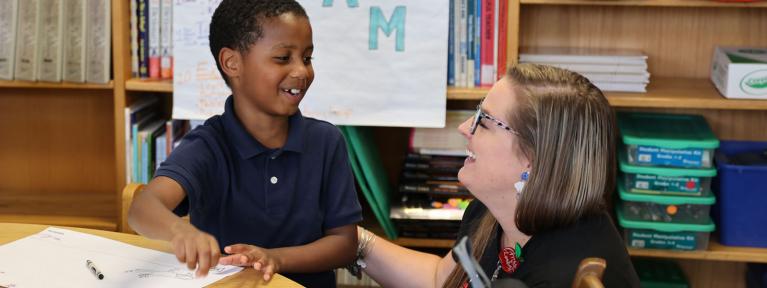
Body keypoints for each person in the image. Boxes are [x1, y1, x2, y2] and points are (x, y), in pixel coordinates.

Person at [127, 1, 362, 286]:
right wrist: (181, 232)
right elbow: (143, 207)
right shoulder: (208, 145)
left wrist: (275, 258)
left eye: (307, 58)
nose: (302, 71)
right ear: (232, 63)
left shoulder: (327, 142)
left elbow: (344, 243)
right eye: (283, 58)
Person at [354, 64, 640, 287]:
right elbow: (440, 279)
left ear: (533, 157)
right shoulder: (497, 211)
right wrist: (353, 242)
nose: (465, 127)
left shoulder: (561, 275)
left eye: (484, 122)